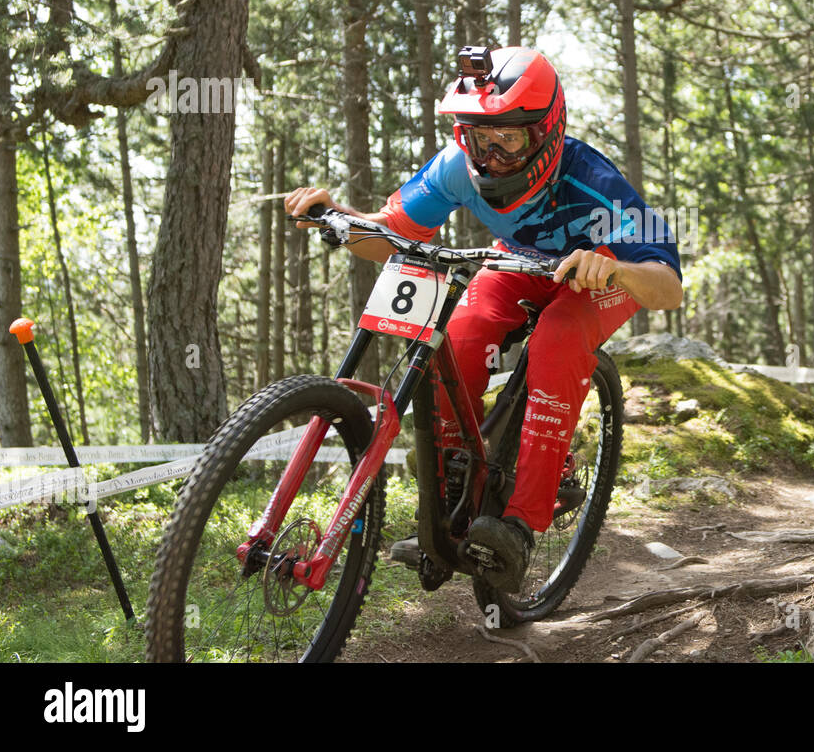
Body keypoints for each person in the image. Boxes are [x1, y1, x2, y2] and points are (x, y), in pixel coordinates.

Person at [284, 45, 683, 591]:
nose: (491, 155)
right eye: (478, 137)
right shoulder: (456, 168)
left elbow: (668, 286)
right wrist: (338, 218)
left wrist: (613, 268)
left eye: (508, 138)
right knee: (462, 338)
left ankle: (520, 526)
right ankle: (454, 508)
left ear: (546, 130)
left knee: (559, 339)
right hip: (518, 262)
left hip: (605, 276)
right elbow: (392, 235)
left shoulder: (592, 181)